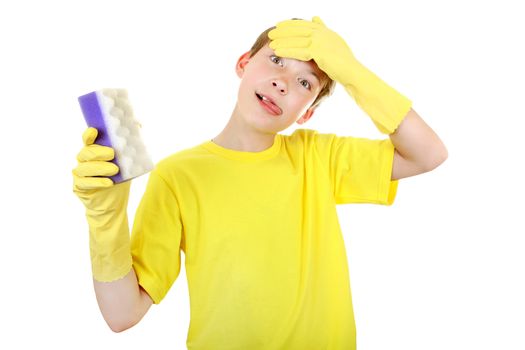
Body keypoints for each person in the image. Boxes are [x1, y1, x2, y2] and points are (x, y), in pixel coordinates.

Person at [73, 16, 447, 350]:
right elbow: (122, 314)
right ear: (243, 63)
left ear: (308, 112)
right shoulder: (178, 176)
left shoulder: (318, 156)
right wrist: (105, 219)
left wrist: (353, 73)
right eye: (276, 60)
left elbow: (428, 154)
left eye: (305, 82)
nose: (282, 82)